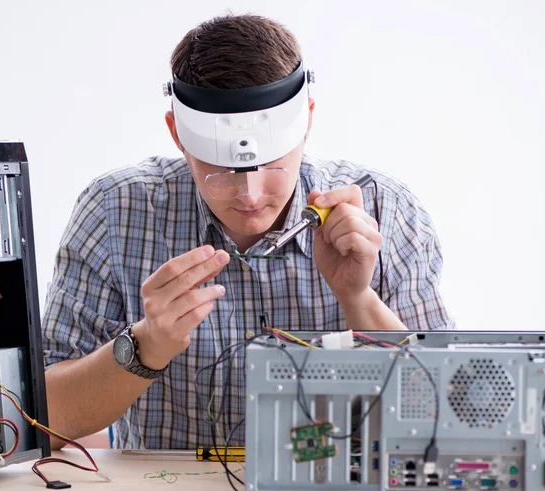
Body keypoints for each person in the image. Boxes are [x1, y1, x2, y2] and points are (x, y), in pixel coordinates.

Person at [42, 14, 454, 450]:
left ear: (308, 119)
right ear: (176, 134)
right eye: (221, 169)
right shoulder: (116, 210)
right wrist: (147, 346)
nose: (250, 195)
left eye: (273, 164)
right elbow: (42, 417)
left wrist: (358, 299)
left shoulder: (385, 209)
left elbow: (446, 417)